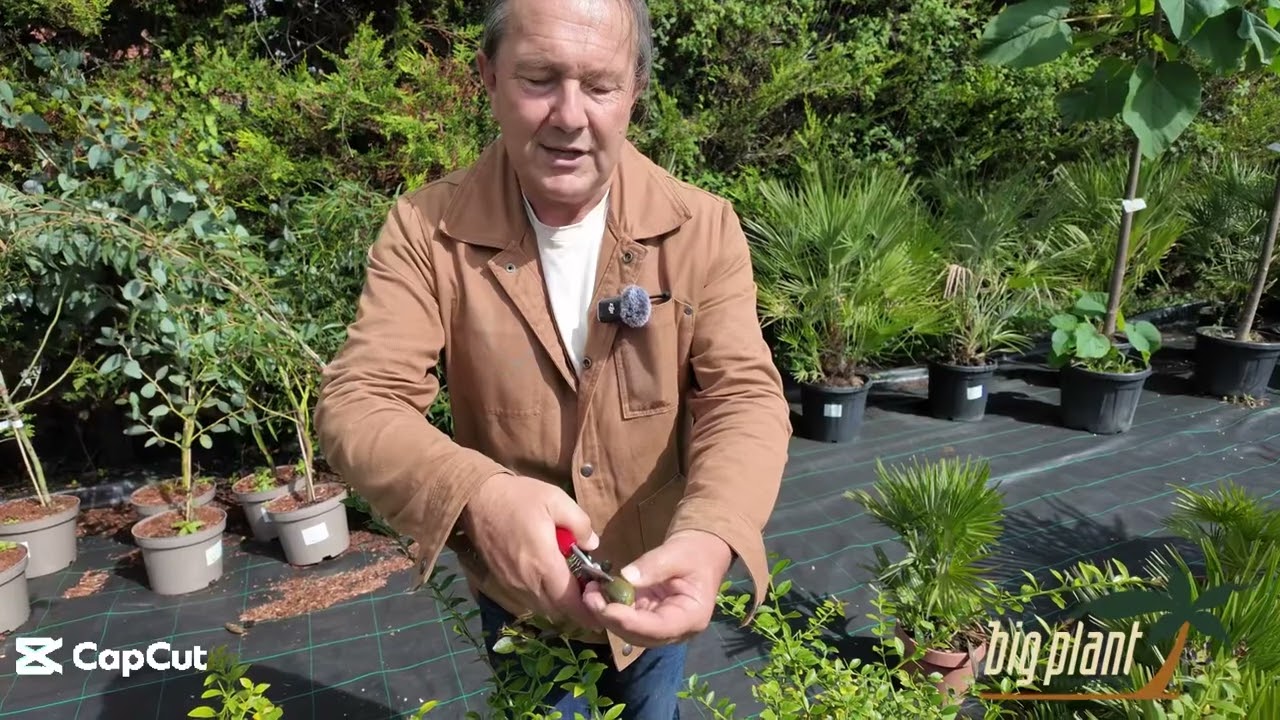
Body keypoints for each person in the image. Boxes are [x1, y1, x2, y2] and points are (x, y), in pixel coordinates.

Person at [313, 0, 791, 716]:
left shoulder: (703, 227)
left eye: (599, 86)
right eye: (539, 78)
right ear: (489, 77)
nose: (569, 116)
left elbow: (743, 397)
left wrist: (714, 533)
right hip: (523, 598)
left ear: (636, 90)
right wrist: (477, 497)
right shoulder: (424, 230)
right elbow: (359, 400)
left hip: (657, 578)